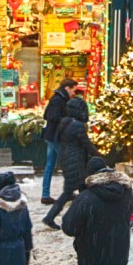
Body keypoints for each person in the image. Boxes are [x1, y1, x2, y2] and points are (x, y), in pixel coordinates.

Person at [43, 95, 98, 230]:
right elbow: (86, 144)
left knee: (80, 189)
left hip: (67, 160)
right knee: (70, 192)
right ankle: (51, 217)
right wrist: (99, 155)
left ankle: (82, 217)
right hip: (76, 162)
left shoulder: (65, 122)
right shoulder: (78, 126)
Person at [40, 78, 77, 204]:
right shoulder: (58, 100)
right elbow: (52, 116)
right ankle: (69, 191)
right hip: (55, 136)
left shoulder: (57, 98)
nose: (74, 93)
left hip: (51, 135)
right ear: (67, 88)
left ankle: (45, 195)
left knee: (50, 165)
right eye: (73, 90)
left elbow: (46, 115)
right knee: (67, 163)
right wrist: (69, 120)